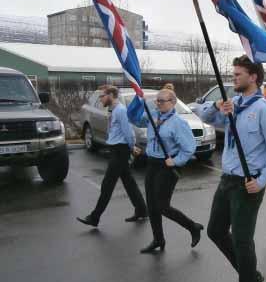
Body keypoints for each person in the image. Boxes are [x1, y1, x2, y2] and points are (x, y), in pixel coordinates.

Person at [199, 55, 266, 282]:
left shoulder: (265, 110)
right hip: (227, 179)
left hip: (247, 184)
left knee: (241, 239)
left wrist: (261, 181)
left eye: (238, 74)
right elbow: (203, 115)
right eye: (233, 73)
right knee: (215, 230)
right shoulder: (233, 103)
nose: (233, 77)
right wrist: (217, 106)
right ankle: (250, 275)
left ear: (253, 77)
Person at [131, 88, 203, 253]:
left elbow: (189, 147)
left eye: (162, 101)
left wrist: (176, 161)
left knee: (162, 206)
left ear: (173, 103)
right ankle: (158, 239)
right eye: (157, 100)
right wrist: (137, 99)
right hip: (152, 163)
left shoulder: (178, 123)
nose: (158, 103)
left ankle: (193, 227)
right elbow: (133, 117)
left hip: (167, 166)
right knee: (151, 205)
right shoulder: (153, 117)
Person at [77, 85, 147, 227]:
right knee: (129, 182)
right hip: (117, 149)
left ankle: (94, 217)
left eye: (102, 96)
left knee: (107, 185)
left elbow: (128, 131)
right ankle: (142, 210)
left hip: (120, 151)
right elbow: (122, 132)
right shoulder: (114, 110)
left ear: (110, 95)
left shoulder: (120, 111)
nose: (101, 99)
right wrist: (131, 146)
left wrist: (131, 146)